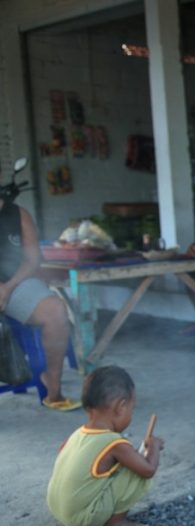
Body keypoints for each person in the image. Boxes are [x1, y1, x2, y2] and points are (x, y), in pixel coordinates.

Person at [46, 365, 163, 526]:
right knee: (135, 472)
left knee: (119, 466)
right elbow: (147, 470)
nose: (131, 414)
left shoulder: (77, 434)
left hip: (56, 508)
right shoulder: (115, 443)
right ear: (121, 407)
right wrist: (153, 446)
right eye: (132, 408)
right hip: (82, 519)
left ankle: (97, 512)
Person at [0, 162, 78, 410]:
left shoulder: (18, 214)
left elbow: (33, 260)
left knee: (55, 310)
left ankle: (52, 383)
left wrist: (7, 287)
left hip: (15, 284)